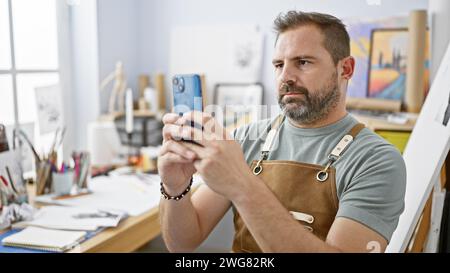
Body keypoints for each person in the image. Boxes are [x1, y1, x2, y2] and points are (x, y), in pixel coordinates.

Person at [157, 11, 406, 253]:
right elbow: (182, 244)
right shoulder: (245, 139)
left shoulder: (377, 161)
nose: (285, 77)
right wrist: (174, 187)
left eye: (303, 62)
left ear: (346, 69)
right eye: (278, 64)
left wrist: (242, 185)